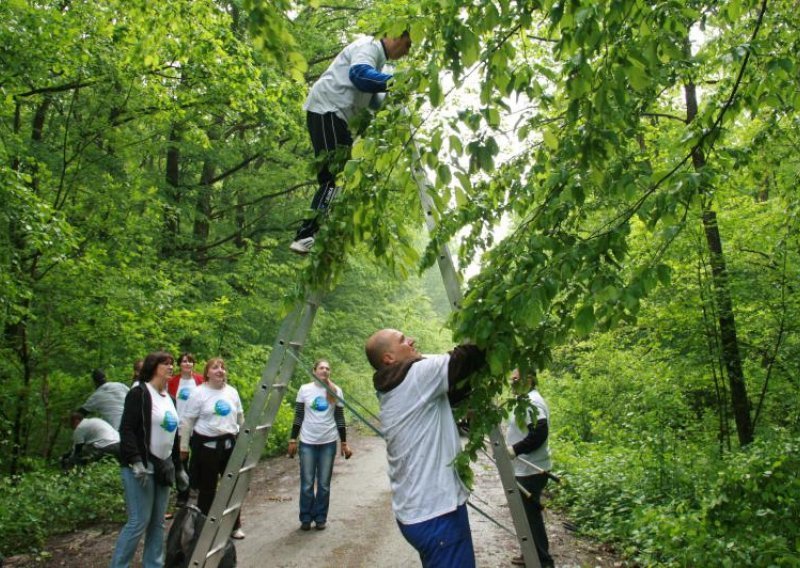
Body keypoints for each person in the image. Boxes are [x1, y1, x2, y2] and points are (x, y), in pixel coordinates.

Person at [365, 328, 486, 567]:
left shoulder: (391, 386)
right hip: (437, 515)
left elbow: (454, 391)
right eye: (402, 340)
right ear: (388, 359)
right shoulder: (416, 376)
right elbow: (468, 357)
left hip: (419, 512)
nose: (411, 340)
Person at [289, 32, 412, 255]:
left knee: (340, 178)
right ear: (394, 35)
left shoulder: (380, 61)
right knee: (334, 176)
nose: (407, 51)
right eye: (407, 43)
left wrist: (395, 98)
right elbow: (360, 75)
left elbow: (375, 101)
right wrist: (397, 83)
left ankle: (316, 235)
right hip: (328, 109)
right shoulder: (370, 46)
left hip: (338, 117)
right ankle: (305, 235)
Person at [111, 351, 181, 568]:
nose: (170, 367)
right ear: (153, 367)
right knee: (138, 521)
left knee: (158, 523)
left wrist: (178, 468)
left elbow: (173, 435)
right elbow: (127, 429)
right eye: (165, 364)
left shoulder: (170, 399)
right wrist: (135, 460)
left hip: (163, 466)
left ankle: (153, 564)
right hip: (141, 466)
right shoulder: (139, 393)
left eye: (172, 364)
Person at [179, 358, 246, 539]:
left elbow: (240, 418)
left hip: (229, 445)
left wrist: (245, 440)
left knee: (232, 487)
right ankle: (206, 527)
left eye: (222, 368)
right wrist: (184, 447)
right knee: (207, 489)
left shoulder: (232, 392)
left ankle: (234, 526)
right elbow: (187, 421)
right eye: (215, 368)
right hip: (206, 447)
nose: (220, 371)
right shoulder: (198, 393)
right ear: (207, 372)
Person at [287, 359, 352, 531]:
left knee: (323, 484)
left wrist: (344, 443)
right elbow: (299, 416)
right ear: (314, 370)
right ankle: (306, 518)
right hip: (307, 442)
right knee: (307, 483)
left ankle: (321, 517)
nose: (325, 370)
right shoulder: (305, 389)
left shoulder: (336, 391)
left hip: (328, 443)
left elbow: (339, 418)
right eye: (321, 368)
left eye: (328, 368)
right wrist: (293, 439)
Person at [506, 369, 554, 568]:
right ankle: (529, 554)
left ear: (529, 379)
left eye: (516, 378)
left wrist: (515, 450)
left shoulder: (530, 403)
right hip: (527, 469)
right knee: (525, 516)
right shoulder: (526, 399)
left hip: (531, 470)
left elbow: (540, 431)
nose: (512, 382)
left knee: (530, 518)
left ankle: (543, 561)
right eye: (512, 378)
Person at [167, 352, 203, 508]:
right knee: (181, 462)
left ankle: (198, 488)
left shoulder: (200, 380)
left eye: (190, 361)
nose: (187, 364)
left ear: (194, 364)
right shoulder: (173, 381)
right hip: (179, 427)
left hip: (198, 427)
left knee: (199, 459)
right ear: (180, 365)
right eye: (184, 361)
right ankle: (183, 493)